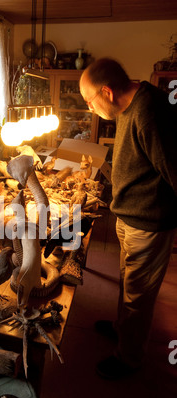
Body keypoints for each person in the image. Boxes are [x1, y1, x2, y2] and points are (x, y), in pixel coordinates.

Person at [79, 58, 177, 379]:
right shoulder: (125, 107)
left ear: (107, 91)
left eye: (91, 102)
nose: (91, 110)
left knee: (139, 295)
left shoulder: (150, 111)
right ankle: (123, 328)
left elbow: (174, 169)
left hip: (148, 222)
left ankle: (129, 358)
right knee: (128, 282)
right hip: (128, 216)